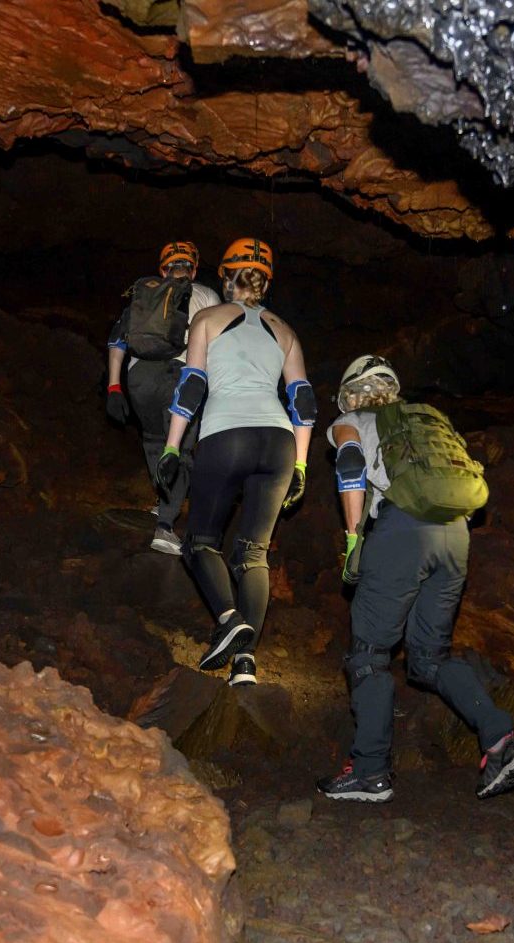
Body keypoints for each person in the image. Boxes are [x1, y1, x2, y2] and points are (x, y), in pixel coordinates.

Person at [314, 355, 514, 803]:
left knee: (369, 656)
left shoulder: (348, 420)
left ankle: (370, 772)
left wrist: (354, 537)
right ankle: (501, 740)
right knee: (430, 658)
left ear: (350, 393)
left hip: (402, 532)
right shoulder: (427, 422)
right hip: (455, 535)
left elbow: (351, 466)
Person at [156, 238, 311, 687]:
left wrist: (171, 447)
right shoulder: (285, 330)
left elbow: (191, 386)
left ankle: (228, 620)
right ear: (264, 282)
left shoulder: (206, 318)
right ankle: (246, 664)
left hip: (228, 435)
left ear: (225, 277)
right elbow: (303, 402)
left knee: (201, 542)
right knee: (254, 552)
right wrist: (300, 465)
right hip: (279, 441)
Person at [106, 241, 220, 555]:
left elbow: (117, 341)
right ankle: (166, 527)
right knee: (180, 447)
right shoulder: (206, 295)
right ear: (194, 269)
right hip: (181, 375)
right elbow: (217, 341)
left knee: (154, 439)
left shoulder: (145, 294)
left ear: (163, 268)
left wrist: (114, 387)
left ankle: (163, 501)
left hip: (138, 376)